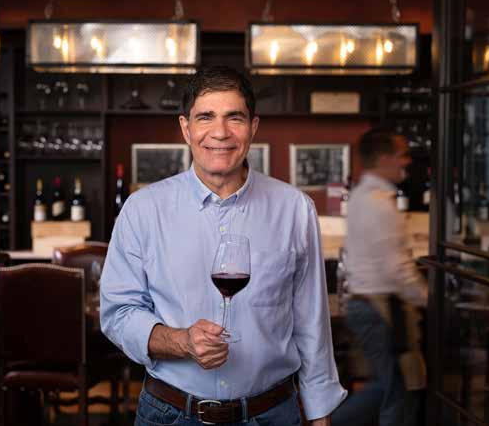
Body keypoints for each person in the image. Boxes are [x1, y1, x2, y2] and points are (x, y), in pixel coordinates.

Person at [100, 66, 347, 425]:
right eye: (205, 117)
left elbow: (312, 321)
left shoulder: (295, 209)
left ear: (253, 127)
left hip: (272, 415)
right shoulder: (143, 210)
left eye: (235, 117)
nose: (220, 132)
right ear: (186, 128)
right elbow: (118, 313)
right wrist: (181, 341)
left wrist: (320, 411)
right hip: (170, 415)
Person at [331, 128, 428, 426]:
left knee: (394, 387)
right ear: (385, 158)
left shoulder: (364, 195)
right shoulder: (378, 202)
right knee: (395, 388)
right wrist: (426, 296)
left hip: (369, 305)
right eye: (402, 155)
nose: (407, 161)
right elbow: (396, 267)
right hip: (380, 306)